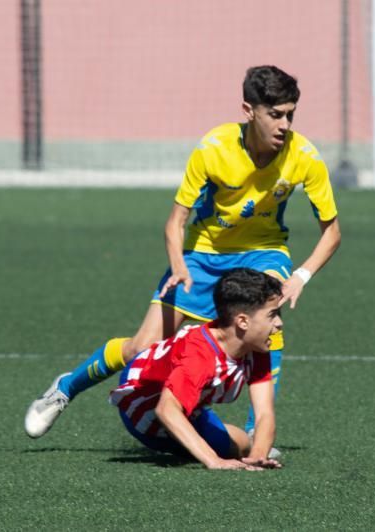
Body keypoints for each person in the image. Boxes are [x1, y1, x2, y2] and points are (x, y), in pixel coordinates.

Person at [25, 65, 340, 440]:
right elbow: (175, 222)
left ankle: (258, 432)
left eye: (290, 114)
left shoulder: (304, 155)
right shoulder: (213, 148)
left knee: (264, 324)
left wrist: (301, 276)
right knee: (139, 349)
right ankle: (64, 389)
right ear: (248, 110)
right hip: (202, 255)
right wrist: (179, 263)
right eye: (275, 114)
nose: (285, 124)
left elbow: (332, 233)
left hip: (263, 251)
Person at [74, 269, 285, 469]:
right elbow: (165, 409)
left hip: (185, 405)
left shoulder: (254, 347)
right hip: (144, 411)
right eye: (272, 314)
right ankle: (66, 386)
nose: (279, 323)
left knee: (242, 446)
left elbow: (264, 412)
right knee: (218, 451)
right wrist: (214, 461)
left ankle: (202, 428)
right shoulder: (200, 356)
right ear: (242, 321)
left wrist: (258, 455)